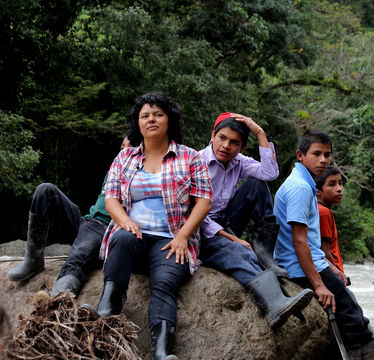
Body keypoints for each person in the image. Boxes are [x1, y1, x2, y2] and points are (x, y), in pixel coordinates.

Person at [92, 92, 212, 360]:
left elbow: (203, 201)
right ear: (138, 123)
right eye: (145, 115)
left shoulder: (190, 158)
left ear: (169, 120)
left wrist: (183, 236)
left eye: (158, 114)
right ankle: (106, 310)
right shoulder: (124, 159)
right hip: (133, 235)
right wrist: (125, 221)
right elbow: (111, 199)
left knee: (164, 284)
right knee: (121, 239)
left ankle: (160, 351)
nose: (151, 120)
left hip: (171, 239)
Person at [198, 113, 312, 329]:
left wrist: (259, 132)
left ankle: (264, 250)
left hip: (227, 221)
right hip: (201, 229)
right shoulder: (195, 162)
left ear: (241, 148)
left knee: (257, 185)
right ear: (212, 136)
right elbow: (194, 214)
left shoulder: (238, 161)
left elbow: (269, 173)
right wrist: (232, 239)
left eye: (234, 143)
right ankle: (276, 303)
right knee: (241, 253)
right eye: (222, 138)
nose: (226, 146)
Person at [273, 130, 374, 360]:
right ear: (301, 155)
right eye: (316, 154)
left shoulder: (303, 183)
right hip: (299, 265)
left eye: (327, 154)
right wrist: (319, 285)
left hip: (307, 260)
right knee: (353, 317)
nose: (323, 160)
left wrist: (330, 267)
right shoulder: (300, 188)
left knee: (352, 312)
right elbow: (299, 240)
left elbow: (309, 240)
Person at [7, 136, 133, 297]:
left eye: (130, 146)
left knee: (78, 256)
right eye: (122, 146)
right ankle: (34, 258)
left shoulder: (144, 175)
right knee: (46, 190)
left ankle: (58, 300)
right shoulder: (114, 168)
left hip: (105, 229)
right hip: (86, 222)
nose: (124, 150)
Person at [316, 166, 345, 273]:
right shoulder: (323, 212)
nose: (339, 189)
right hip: (331, 270)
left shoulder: (316, 209)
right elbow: (325, 251)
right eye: (332, 184)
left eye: (340, 183)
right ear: (318, 191)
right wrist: (338, 274)